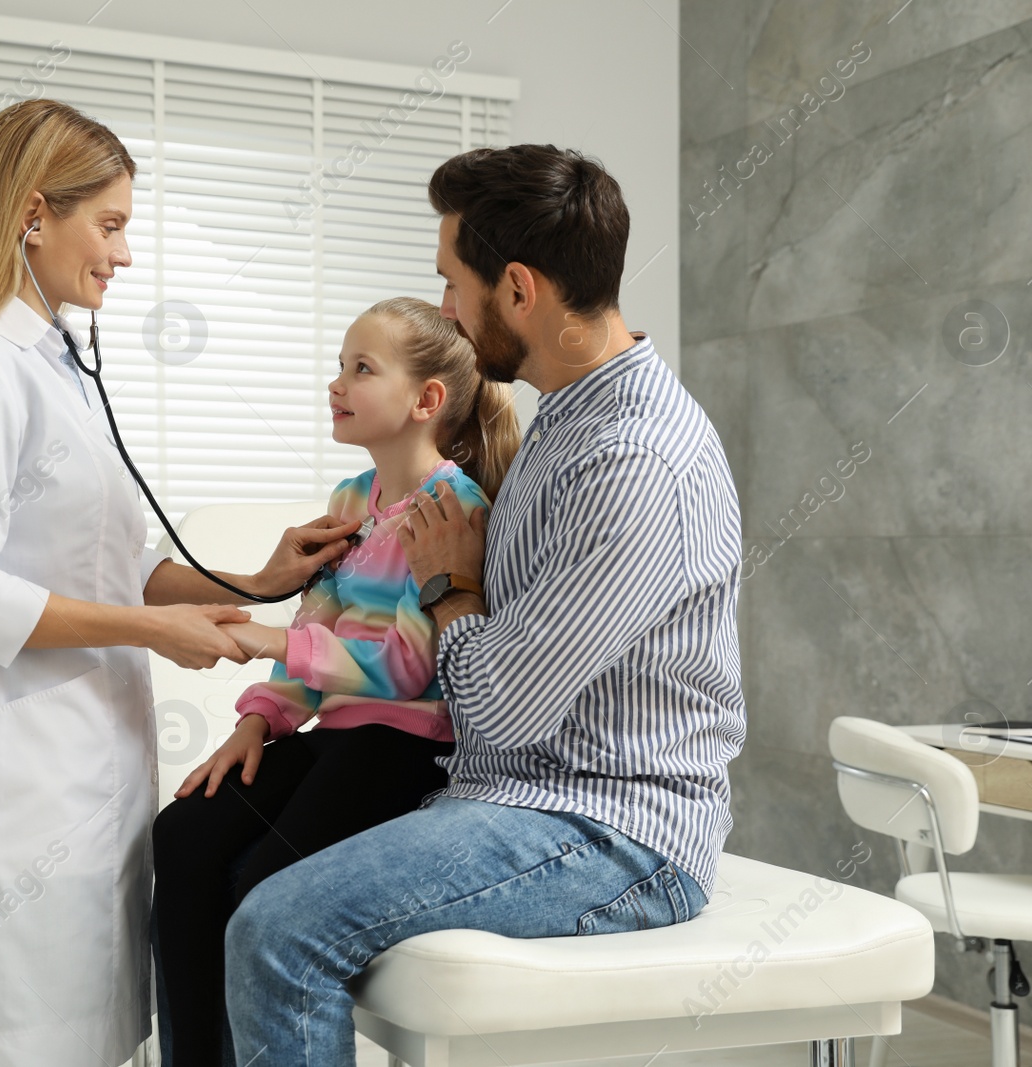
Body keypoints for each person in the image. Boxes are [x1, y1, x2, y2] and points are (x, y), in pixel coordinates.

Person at [223, 144, 748, 1064]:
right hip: (521, 791)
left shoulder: (632, 461)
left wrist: (451, 585)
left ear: (517, 288)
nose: (447, 312)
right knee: (213, 850)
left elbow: (500, 711)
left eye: (452, 285)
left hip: (609, 827)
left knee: (279, 928)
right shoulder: (568, 413)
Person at [0, 98, 359, 1067]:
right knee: (21, 1039)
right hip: (11, 764)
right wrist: (153, 634)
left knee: (95, 1033)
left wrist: (257, 578)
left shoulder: (57, 366)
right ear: (32, 214)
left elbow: (115, 560)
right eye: (108, 225)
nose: (124, 254)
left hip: (92, 755)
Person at [150, 296, 519, 1065]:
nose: (336, 383)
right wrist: (257, 720)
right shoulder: (352, 500)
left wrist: (269, 636)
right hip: (335, 739)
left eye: (361, 368)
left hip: (405, 750)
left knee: (260, 882)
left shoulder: (454, 507)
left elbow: (412, 664)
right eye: (339, 366)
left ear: (426, 401)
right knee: (183, 833)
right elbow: (317, 624)